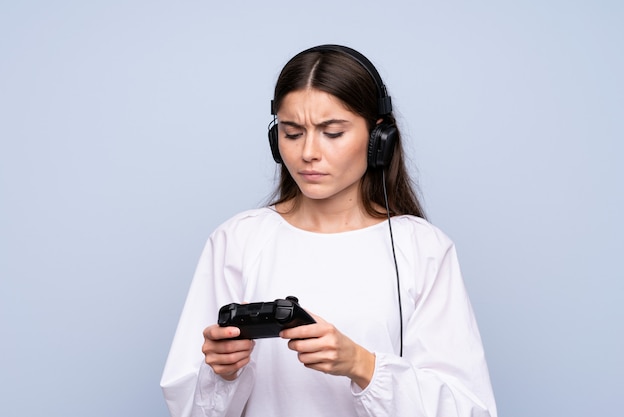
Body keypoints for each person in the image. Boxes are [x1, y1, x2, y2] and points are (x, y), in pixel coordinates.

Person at [160, 44, 497, 417]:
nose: (308, 153)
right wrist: (222, 374)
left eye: (332, 133)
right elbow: (189, 408)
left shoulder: (422, 249)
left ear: (378, 140)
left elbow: (468, 409)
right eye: (292, 133)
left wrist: (363, 366)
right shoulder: (237, 240)